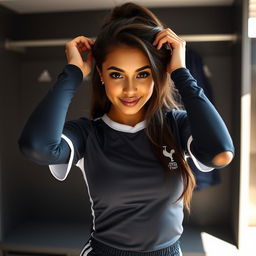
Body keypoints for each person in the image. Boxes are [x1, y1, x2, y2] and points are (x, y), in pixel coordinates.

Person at [18, 2, 234, 256]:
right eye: (117, 75)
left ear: (157, 73)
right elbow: (36, 147)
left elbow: (220, 153)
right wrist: (73, 73)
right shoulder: (88, 134)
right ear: (100, 74)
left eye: (142, 74)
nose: (130, 90)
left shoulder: (177, 125)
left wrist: (181, 73)